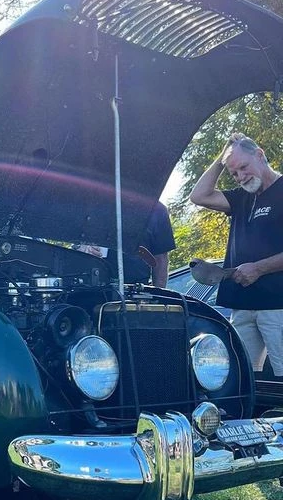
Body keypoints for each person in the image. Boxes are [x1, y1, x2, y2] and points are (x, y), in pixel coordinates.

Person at [189, 132, 283, 378]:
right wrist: (222, 159)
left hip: (278, 306)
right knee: (242, 379)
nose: (241, 176)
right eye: (234, 173)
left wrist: (260, 268)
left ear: (260, 155)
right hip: (242, 304)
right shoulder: (241, 197)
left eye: (244, 167)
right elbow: (198, 196)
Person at [105, 200, 175, 287]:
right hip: (90, 288)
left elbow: (161, 259)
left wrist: (158, 294)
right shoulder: (93, 199)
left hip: (136, 291)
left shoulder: (157, 209)